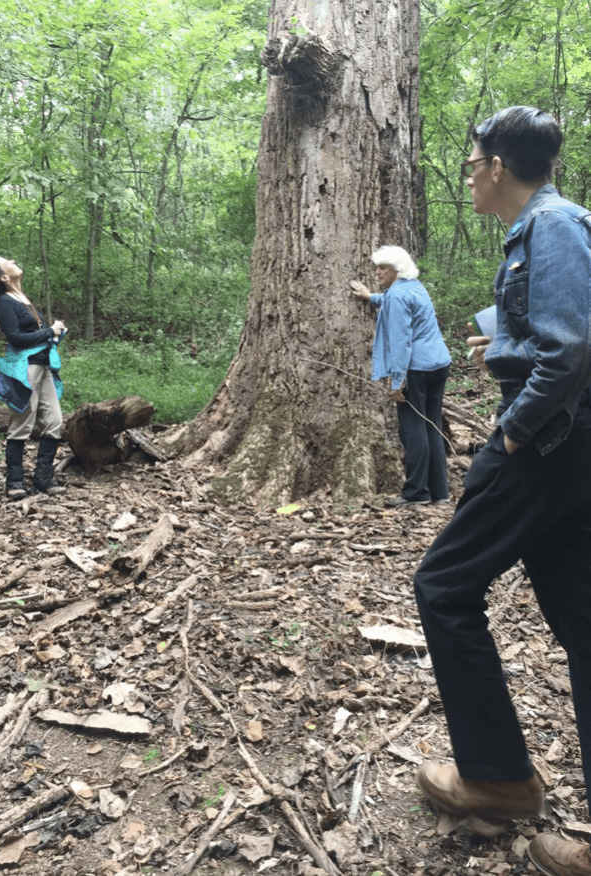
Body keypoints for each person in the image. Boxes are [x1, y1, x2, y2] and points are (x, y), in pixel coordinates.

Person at [413, 106, 591, 876]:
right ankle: (502, 776)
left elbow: (571, 352)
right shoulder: (549, 228)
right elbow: (556, 337)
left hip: (545, 446)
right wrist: (506, 344)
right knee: (582, 618)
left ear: (494, 166)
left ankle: (496, 777)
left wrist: (511, 435)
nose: (468, 175)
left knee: (444, 584)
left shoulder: (552, 227)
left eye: (471, 162)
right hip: (571, 448)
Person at [350, 246, 451, 507]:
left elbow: (401, 342)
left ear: (397, 269)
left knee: (413, 428)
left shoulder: (396, 296)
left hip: (416, 368)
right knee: (431, 425)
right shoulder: (414, 287)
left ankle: (416, 493)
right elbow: (396, 303)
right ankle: (439, 492)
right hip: (439, 363)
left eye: (382, 268)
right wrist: (371, 297)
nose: (377, 272)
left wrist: (397, 382)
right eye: (377, 267)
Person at [0, 255, 67, 500]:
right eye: (5, 260)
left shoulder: (23, 298)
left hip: (44, 368)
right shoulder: (4, 303)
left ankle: (43, 480)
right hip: (25, 370)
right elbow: (16, 339)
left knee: (54, 422)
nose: (13, 259)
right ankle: (15, 483)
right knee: (22, 424)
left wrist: (52, 332)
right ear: (3, 277)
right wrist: (48, 331)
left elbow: (32, 333)